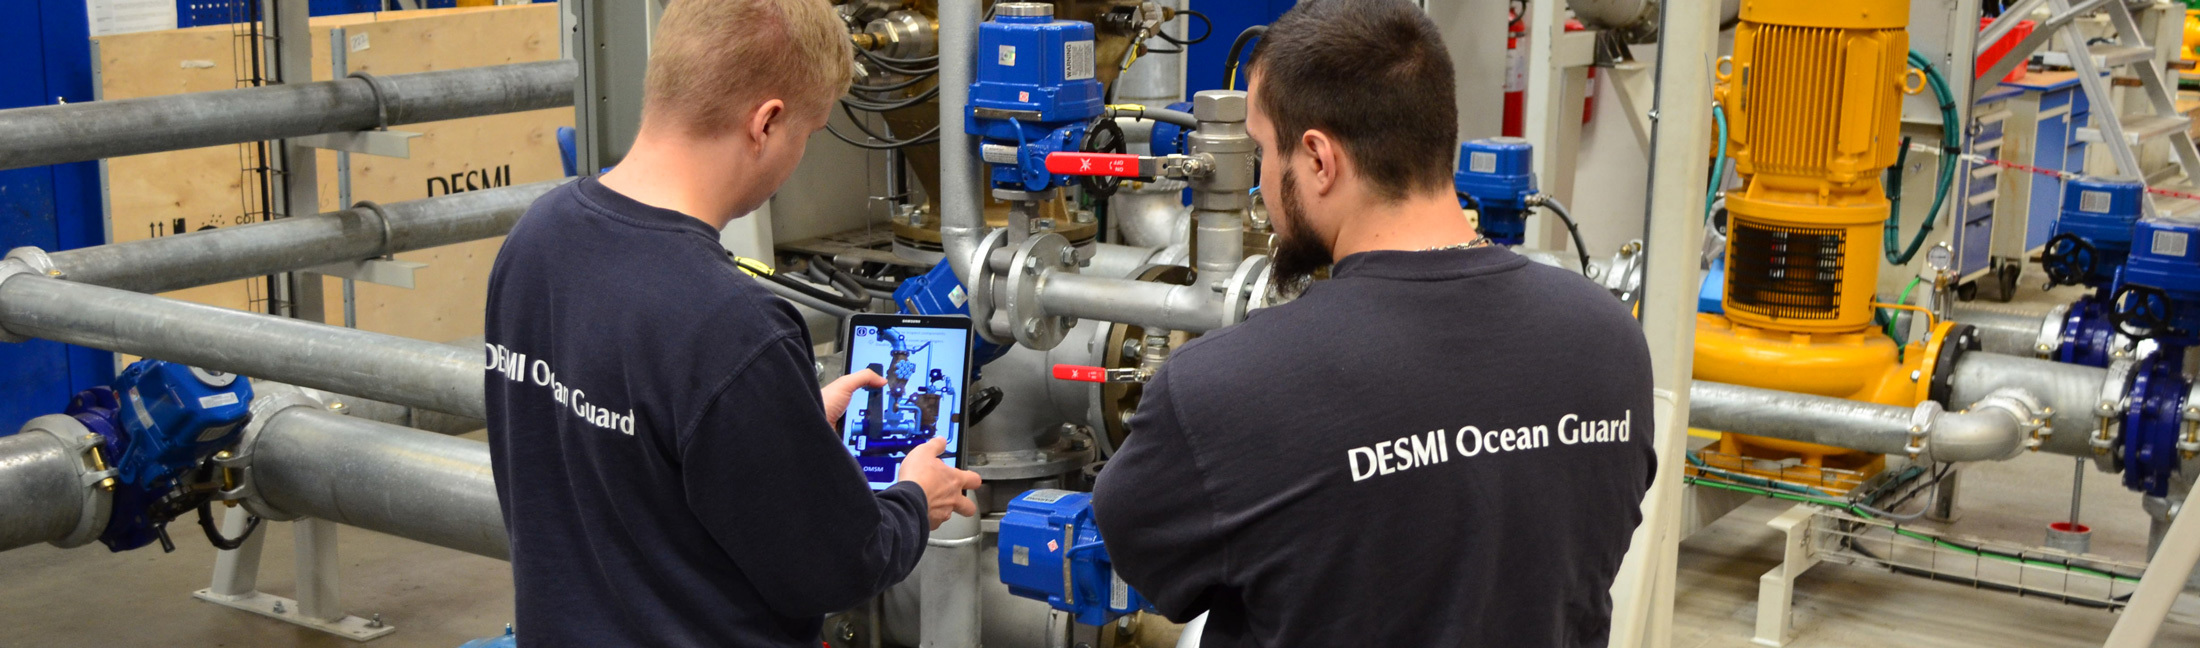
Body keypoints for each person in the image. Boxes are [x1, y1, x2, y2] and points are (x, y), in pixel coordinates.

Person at [1089, 1, 1657, 646]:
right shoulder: (1610, 339)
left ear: (1319, 160)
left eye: (1263, 153)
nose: (1262, 185)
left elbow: (1153, 573)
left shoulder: (1224, 390)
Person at [481, 0, 981, 645]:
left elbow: (619, 451)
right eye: (809, 132)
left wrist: (779, 419)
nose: (799, 153)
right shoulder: (734, 325)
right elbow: (835, 569)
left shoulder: (537, 237)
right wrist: (915, 499)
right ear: (766, 123)